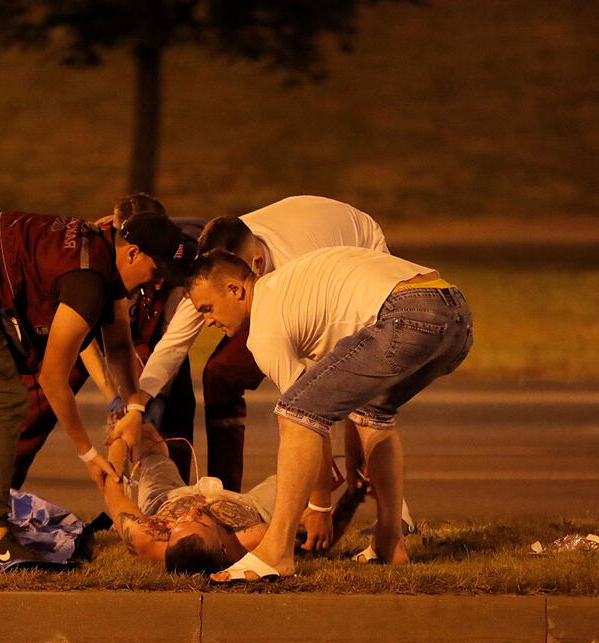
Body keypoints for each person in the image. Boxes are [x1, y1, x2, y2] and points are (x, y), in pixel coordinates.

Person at [0, 210, 194, 566]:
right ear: (131, 253)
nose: (159, 283)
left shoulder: (104, 252)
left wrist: (133, 409)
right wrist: (87, 453)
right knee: (4, 398)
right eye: (157, 270)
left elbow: (118, 347)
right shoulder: (88, 281)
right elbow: (52, 378)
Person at [185, 248, 472, 581]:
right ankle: (390, 543)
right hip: (455, 314)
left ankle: (276, 552)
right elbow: (345, 399)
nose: (207, 321)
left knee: (294, 413)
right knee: (375, 413)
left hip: (408, 314)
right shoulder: (293, 292)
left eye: (207, 308)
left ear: (235, 289)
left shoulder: (264, 329)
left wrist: (319, 505)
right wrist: (351, 460)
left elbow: (306, 417)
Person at [111, 195, 389, 493]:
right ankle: (224, 493)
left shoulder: (296, 273)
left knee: (362, 391)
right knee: (222, 373)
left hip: (355, 253)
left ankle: (395, 514)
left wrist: (321, 489)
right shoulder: (219, 270)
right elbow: (173, 346)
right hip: (296, 249)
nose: (207, 322)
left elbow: (319, 374)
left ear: (251, 269)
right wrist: (136, 406)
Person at [10, 194, 202, 489]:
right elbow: (83, 336)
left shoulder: (170, 255)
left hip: (149, 332)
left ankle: (173, 498)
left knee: (172, 395)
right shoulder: (95, 257)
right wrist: (111, 395)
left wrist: (146, 397)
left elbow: (172, 340)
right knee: (39, 401)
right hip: (85, 324)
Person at [102, 423, 279, 574]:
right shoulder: (252, 539)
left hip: (167, 499)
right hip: (250, 506)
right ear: (222, 548)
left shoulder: (146, 538)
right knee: (296, 477)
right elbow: (290, 527)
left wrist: (119, 439)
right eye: (201, 522)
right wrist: (307, 509)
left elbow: (114, 492)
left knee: (145, 437)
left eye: (180, 524)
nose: (192, 512)